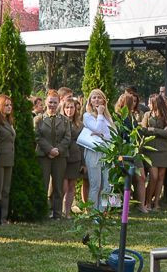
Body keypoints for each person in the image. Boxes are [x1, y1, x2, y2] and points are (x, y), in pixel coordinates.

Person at [34, 90, 72, 219]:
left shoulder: (65, 120)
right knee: (43, 185)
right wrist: (49, 150)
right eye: (50, 102)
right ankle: (42, 213)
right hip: (43, 156)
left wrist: (58, 150)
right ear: (46, 102)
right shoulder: (38, 119)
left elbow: (67, 138)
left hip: (60, 157)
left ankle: (57, 213)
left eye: (55, 102)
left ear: (59, 103)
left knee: (58, 186)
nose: (52, 105)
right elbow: (37, 136)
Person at [114, 91, 147, 212]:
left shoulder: (132, 116)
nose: (134, 104)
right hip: (123, 151)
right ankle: (119, 206)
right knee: (122, 179)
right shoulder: (118, 117)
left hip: (134, 151)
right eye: (131, 102)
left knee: (141, 177)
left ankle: (141, 205)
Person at [81, 89, 113, 208]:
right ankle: (94, 212)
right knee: (95, 184)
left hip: (107, 152)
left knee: (108, 184)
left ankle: (103, 211)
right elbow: (97, 129)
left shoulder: (108, 117)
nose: (97, 100)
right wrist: (99, 114)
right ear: (90, 101)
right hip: (93, 152)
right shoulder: (87, 116)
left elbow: (112, 135)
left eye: (99, 97)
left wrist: (102, 135)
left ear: (104, 100)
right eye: (94, 97)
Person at [141, 93, 167, 212]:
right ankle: (147, 202)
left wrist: (152, 129)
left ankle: (156, 203)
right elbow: (143, 130)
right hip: (150, 149)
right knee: (153, 177)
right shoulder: (147, 115)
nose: (148, 105)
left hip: (164, 150)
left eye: (150, 102)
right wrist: (159, 131)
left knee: (161, 177)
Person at [0, 94, 16, 224]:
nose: (9, 107)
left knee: (6, 190)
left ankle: (3, 217)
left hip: (9, 159)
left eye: (10, 105)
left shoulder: (8, 121)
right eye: (6, 105)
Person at [61, 97, 85, 216]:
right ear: (63, 109)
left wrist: (83, 163)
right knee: (63, 186)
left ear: (75, 109)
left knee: (71, 186)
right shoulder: (59, 122)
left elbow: (83, 144)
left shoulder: (80, 124)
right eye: (67, 107)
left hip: (75, 157)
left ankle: (67, 212)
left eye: (71, 107)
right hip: (62, 156)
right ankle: (59, 210)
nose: (69, 110)